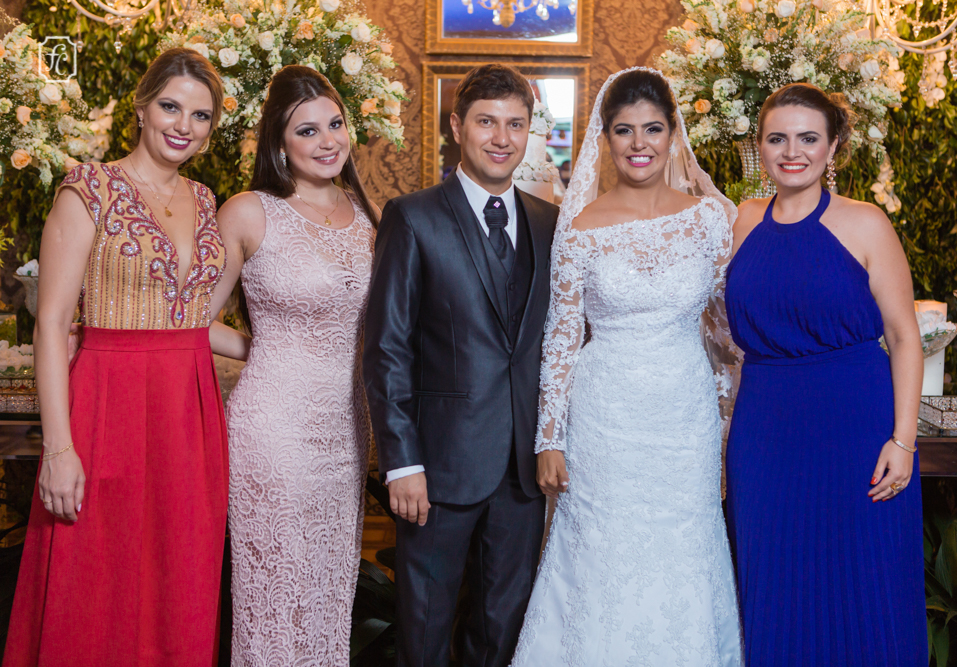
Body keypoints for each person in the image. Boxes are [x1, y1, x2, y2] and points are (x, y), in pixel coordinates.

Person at [4, 48, 232, 667]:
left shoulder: (206, 199)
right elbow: (52, 323)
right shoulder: (88, 189)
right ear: (141, 107)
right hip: (109, 404)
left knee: (181, 580)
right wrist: (59, 448)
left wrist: (293, 348)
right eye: (170, 107)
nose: (184, 125)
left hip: (189, 417)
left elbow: (193, 320)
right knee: (95, 581)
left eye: (201, 115)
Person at [510, 67, 742, 666]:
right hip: (603, 416)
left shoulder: (710, 219)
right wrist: (549, 438)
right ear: (605, 138)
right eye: (624, 130)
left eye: (653, 129)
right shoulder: (579, 227)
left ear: (673, 134)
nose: (640, 144)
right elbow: (561, 338)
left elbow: (726, 329)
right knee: (601, 549)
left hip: (684, 416)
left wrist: (732, 420)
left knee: (684, 545)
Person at [363, 64, 559, 667]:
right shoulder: (412, 216)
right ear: (457, 126)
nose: (502, 138)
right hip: (438, 467)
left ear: (530, 132)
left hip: (522, 470)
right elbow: (387, 347)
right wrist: (402, 462)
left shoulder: (550, 224)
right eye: (486, 122)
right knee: (424, 629)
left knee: (502, 629)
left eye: (516, 124)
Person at [724, 83, 926, 666]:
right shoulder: (741, 221)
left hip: (857, 430)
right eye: (778, 139)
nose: (793, 152)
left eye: (809, 138)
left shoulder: (866, 223)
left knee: (867, 583)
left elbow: (905, 337)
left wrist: (903, 441)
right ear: (759, 146)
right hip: (764, 435)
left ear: (833, 146)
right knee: (773, 584)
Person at [213, 65, 378, 667]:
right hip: (273, 428)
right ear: (279, 144)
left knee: (330, 592)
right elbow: (194, 322)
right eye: (307, 131)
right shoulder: (249, 211)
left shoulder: (368, 215)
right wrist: (266, 349)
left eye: (335, 124)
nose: (328, 141)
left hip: (347, 429)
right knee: (275, 593)